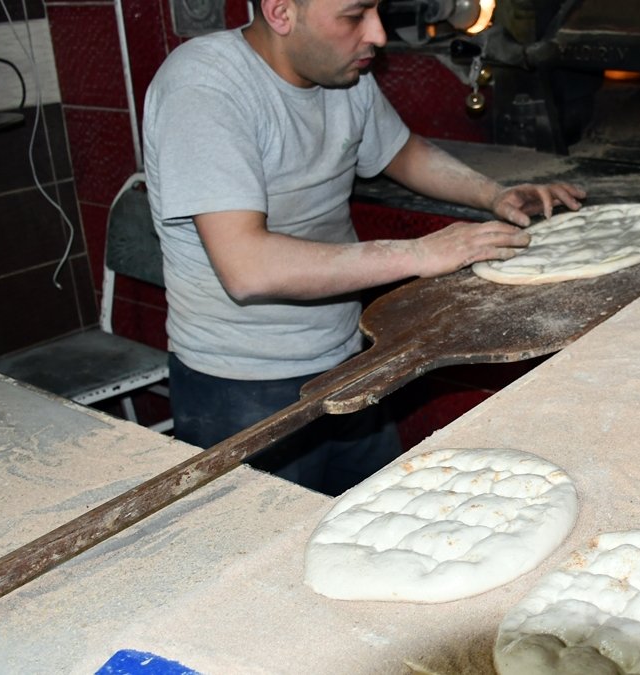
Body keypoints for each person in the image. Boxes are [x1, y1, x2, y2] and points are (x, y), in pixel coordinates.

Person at [142, 0, 585, 495]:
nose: (377, 34)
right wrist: (420, 254)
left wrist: (493, 194)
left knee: (373, 536)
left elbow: (401, 151)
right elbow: (247, 268)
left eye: (377, 11)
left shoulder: (343, 75)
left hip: (347, 360)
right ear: (281, 13)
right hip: (239, 385)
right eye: (354, 16)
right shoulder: (204, 88)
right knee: (258, 558)